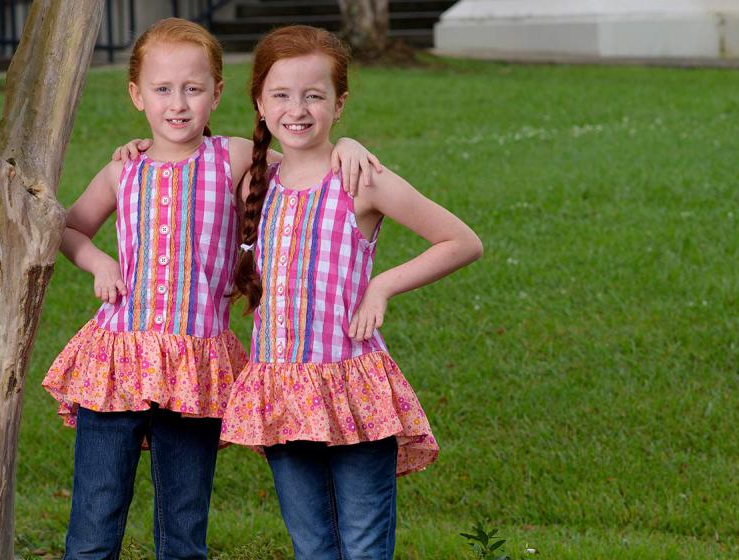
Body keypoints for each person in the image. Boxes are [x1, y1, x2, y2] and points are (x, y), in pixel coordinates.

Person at [43, 18, 380, 559]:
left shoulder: (233, 158)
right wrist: (98, 261)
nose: (177, 104)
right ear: (136, 95)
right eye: (161, 89)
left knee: (183, 523)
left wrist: (349, 143)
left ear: (217, 93)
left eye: (192, 89)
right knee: (95, 516)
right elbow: (67, 226)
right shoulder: (121, 172)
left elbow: (304, 157)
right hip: (117, 360)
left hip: (195, 369)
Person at [221, 25, 483, 559]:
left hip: (354, 391)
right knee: (312, 546)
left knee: (364, 544)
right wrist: (129, 148)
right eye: (282, 95)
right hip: (281, 389)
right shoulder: (253, 179)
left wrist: (382, 285)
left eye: (314, 95)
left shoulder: (359, 179)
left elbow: (461, 241)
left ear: (339, 105)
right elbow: (177, 148)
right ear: (259, 101)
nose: (298, 109)